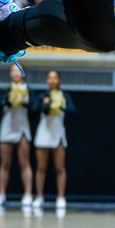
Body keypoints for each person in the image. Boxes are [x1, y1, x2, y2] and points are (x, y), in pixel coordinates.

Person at [33, 70, 74, 213]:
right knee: (41, 167)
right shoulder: (42, 95)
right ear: (46, 80)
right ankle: (39, 196)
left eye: (55, 78)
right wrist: (45, 103)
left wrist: (61, 105)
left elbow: (73, 111)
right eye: (49, 78)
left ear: (59, 80)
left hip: (58, 134)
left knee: (60, 168)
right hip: (44, 133)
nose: (52, 80)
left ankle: (61, 197)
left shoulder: (64, 96)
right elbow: (34, 109)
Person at [0, 62, 32, 210]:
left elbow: (35, 108)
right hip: (7, 127)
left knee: (25, 163)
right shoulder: (5, 90)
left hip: (22, 127)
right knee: (5, 163)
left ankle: (28, 194)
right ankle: (1, 194)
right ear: (10, 74)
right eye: (14, 70)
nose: (16, 73)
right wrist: (5, 102)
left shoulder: (28, 90)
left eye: (19, 70)